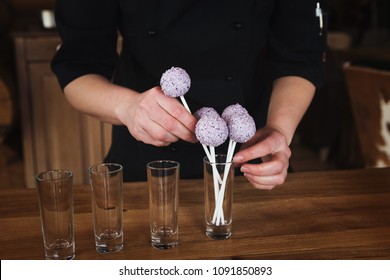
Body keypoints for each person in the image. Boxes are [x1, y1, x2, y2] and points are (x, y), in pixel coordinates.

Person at [51, 0, 327, 190]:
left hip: (250, 159)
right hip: (145, 165)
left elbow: (299, 57)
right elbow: (78, 67)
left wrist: (279, 129)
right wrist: (128, 107)